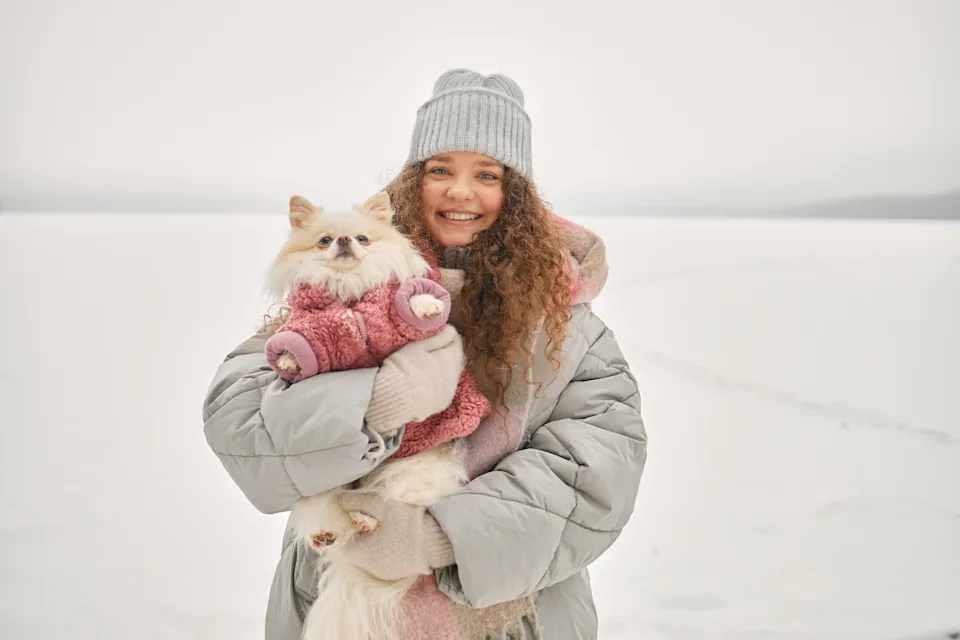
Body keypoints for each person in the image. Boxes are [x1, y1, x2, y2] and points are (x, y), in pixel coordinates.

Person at [202, 68, 648, 640]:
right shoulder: (336, 292)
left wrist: (437, 536)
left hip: (506, 619)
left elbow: (597, 475)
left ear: (515, 194)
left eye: (487, 174)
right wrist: (376, 405)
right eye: (441, 170)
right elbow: (240, 424)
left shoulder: (570, 328)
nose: (461, 192)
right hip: (335, 599)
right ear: (414, 182)